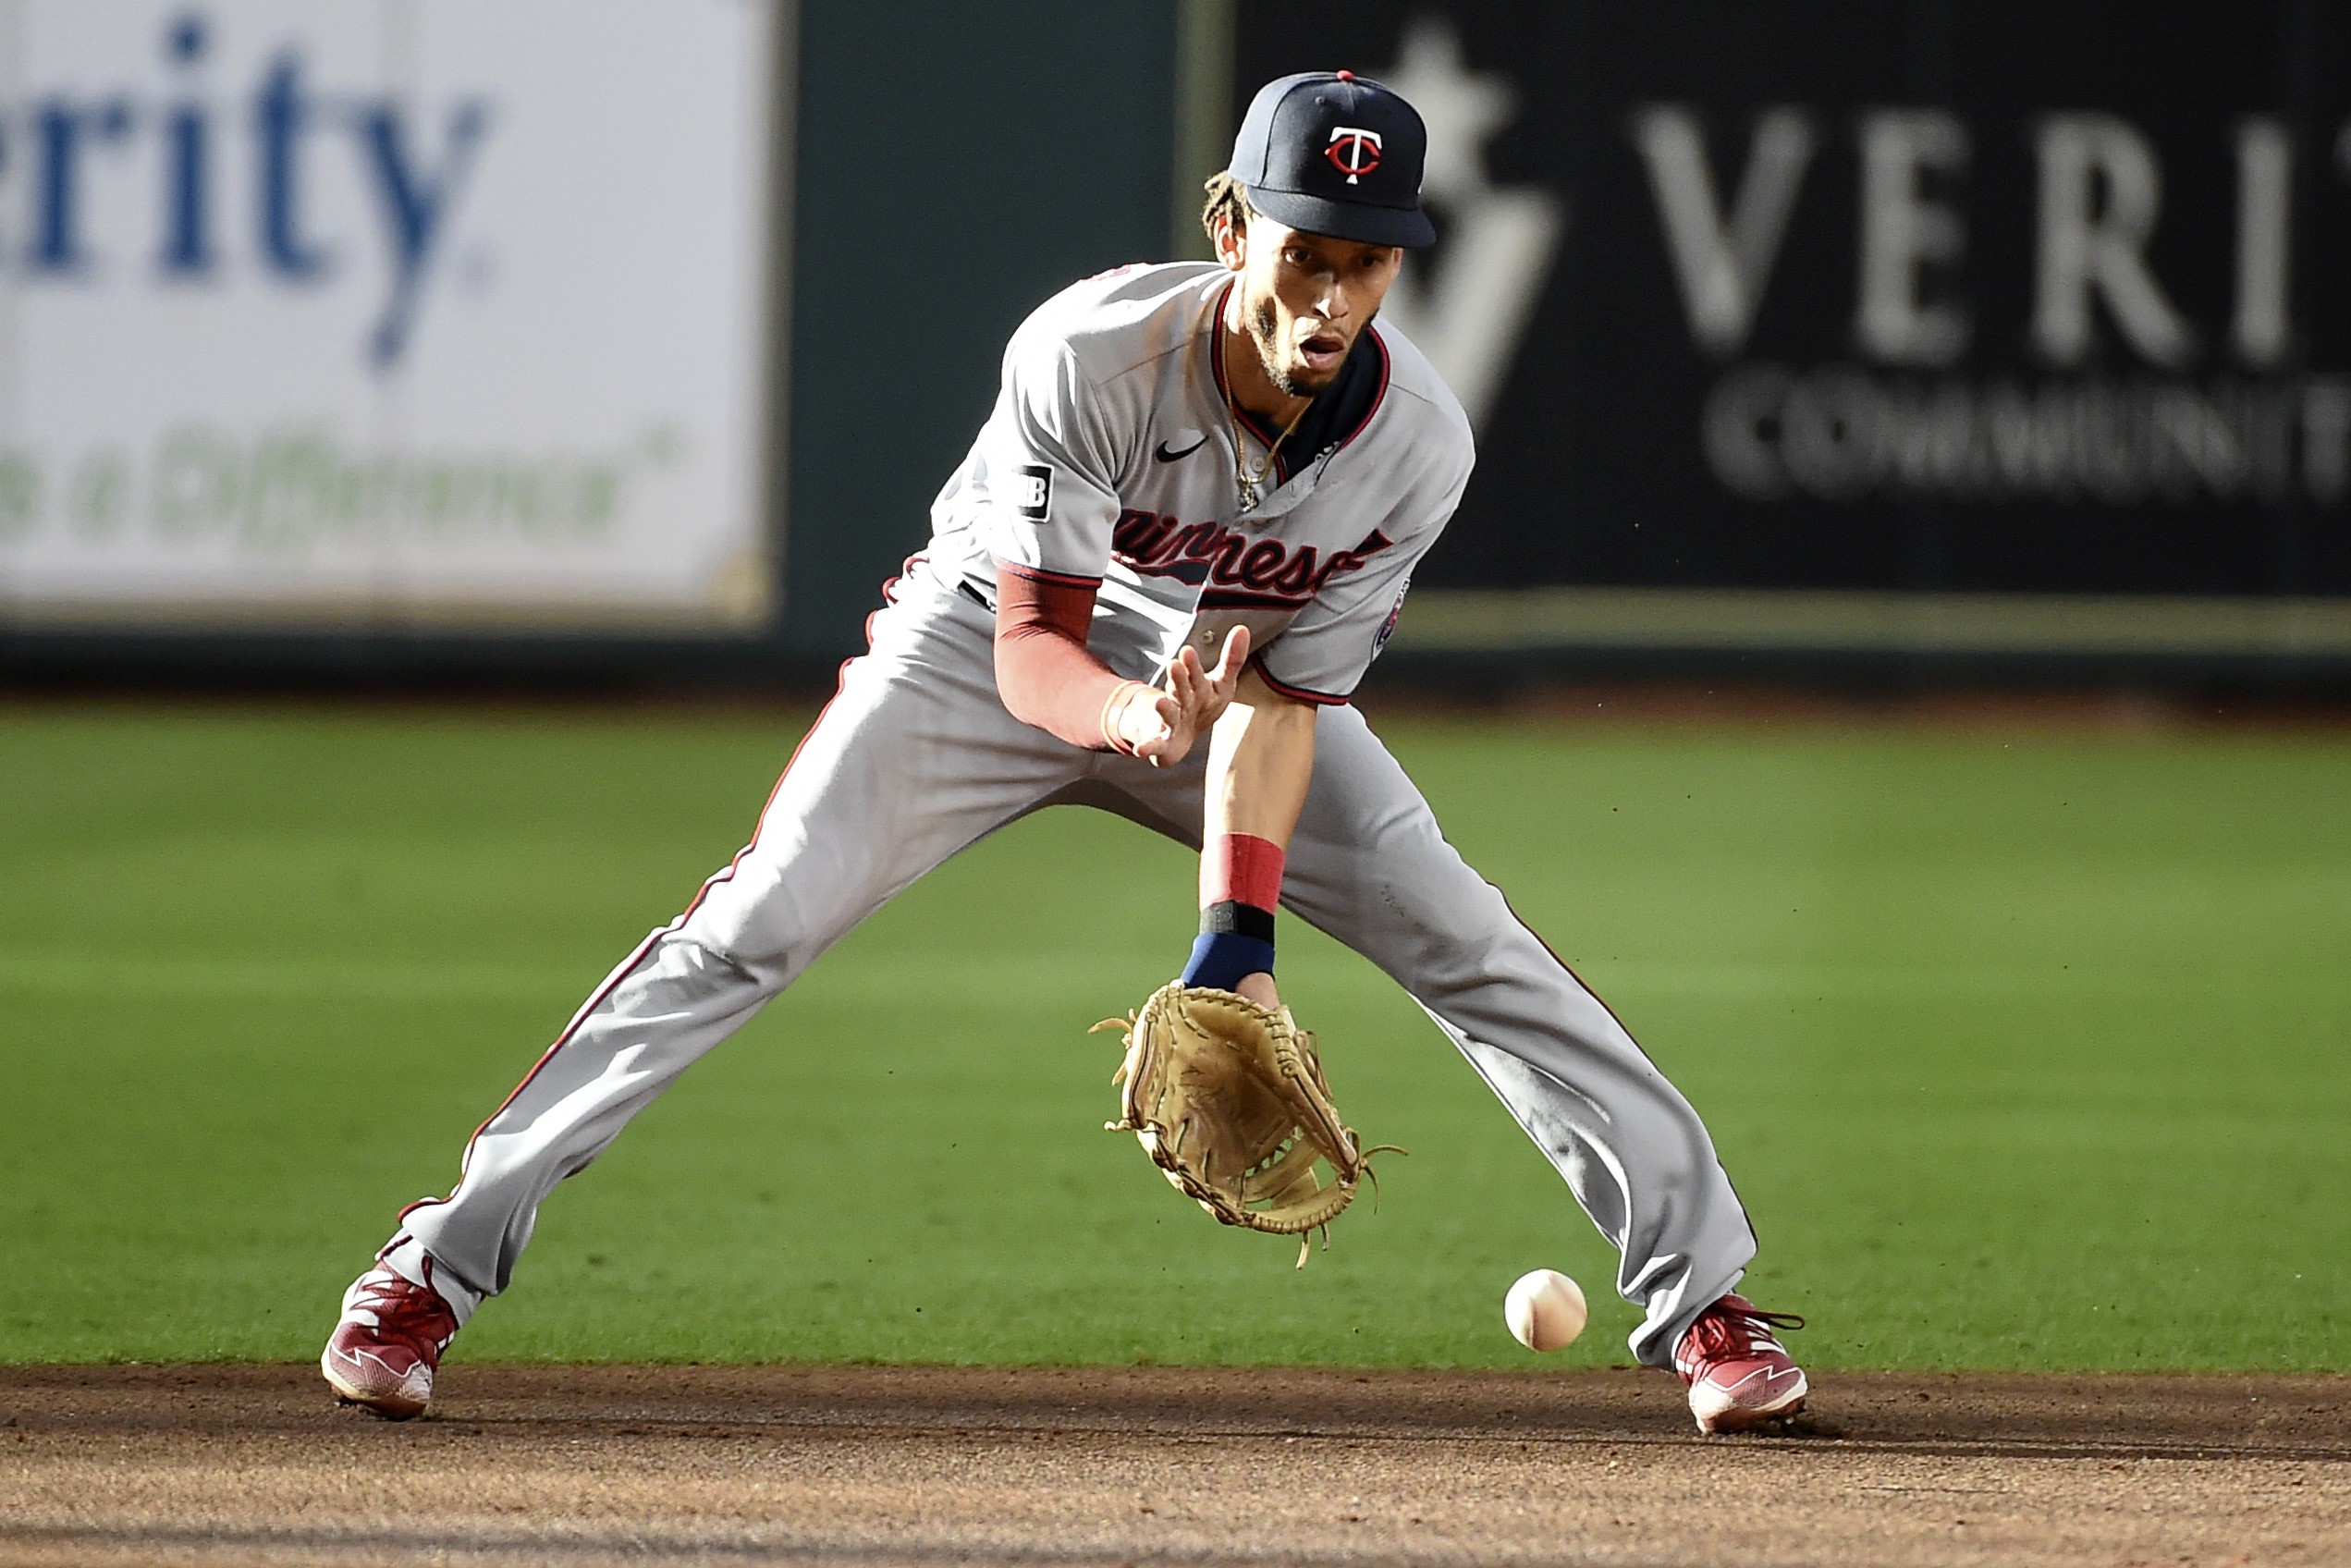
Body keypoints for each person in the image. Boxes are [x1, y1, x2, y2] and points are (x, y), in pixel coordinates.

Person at [322, 69, 1807, 1434]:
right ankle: (432, 1268)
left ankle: (1707, 1307)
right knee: (757, 921)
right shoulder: (1093, 352)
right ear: (1232, 228)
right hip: (987, 651)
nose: (1332, 290)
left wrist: (1236, 936)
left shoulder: (1420, 444)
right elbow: (1038, 644)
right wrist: (1129, 716)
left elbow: (1287, 702)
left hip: (1231, 696)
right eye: (1304, 246)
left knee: (1471, 940)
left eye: (1365, 257)